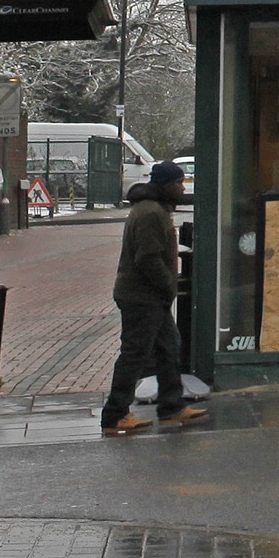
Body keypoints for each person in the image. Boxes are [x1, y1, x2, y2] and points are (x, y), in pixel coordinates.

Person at [101, 161, 206, 437]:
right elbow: (147, 258)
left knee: (169, 347)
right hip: (141, 297)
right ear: (166, 185)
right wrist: (168, 286)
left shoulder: (154, 209)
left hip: (150, 296)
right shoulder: (150, 213)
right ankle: (115, 415)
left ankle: (172, 407)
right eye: (179, 183)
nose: (183, 188)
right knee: (134, 355)